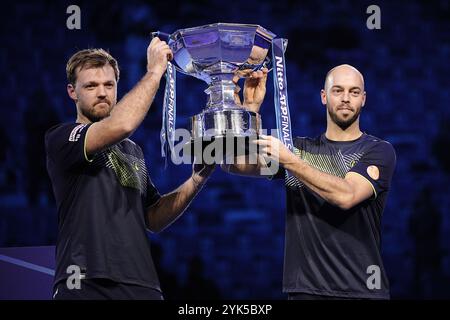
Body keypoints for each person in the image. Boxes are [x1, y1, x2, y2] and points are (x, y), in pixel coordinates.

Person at [46, 37, 214, 300]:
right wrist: (154, 71)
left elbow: (154, 217)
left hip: (143, 285)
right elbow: (121, 124)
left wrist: (196, 179)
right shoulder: (63, 137)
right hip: (86, 282)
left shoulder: (132, 150)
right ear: (72, 92)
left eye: (109, 85)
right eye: (91, 86)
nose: (102, 92)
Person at [224, 64, 397, 299]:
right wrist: (251, 108)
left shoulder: (379, 151)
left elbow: (346, 196)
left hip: (362, 291)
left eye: (354, 92)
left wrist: (290, 162)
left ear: (363, 99)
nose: (346, 98)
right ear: (324, 97)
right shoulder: (298, 149)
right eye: (337, 91)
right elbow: (237, 163)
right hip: (305, 291)